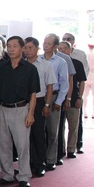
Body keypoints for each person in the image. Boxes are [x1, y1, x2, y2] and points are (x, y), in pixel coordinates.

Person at [0, 36, 40, 187]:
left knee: (22, 145)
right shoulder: (0, 67)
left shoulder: (30, 69)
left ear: (22, 48)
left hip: (21, 109)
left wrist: (30, 114)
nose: (11, 49)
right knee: (3, 144)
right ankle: (7, 174)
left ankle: (24, 176)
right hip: (2, 109)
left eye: (15, 46)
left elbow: (33, 94)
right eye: (9, 46)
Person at [23, 37, 55, 177]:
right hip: (23, 103)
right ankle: (27, 164)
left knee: (38, 134)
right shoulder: (20, 64)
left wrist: (47, 105)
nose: (27, 50)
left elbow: (49, 87)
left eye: (30, 47)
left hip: (39, 101)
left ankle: (39, 164)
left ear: (37, 49)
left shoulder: (45, 64)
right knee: (24, 135)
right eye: (25, 47)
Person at [41, 34, 69, 171]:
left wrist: (59, 101)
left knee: (52, 131)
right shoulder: (37, 59)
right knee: (39, 131)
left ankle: (51, 159)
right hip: (40, 96)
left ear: (55, 47)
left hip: (54, 97)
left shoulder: (60, 62)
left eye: (48, 43)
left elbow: (65, 84)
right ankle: (39, 158)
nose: (45, 46)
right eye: (44, 43)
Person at [58, 41, 86, 158]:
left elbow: (82, 82)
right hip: (58, 99)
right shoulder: (56, 63)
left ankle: (71, 149)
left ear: (71, 50)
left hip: (74, 98)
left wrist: (79, 97)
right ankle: (60, 150)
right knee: (59, 126)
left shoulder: (77, 64)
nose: (62, 50)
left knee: (73, 125)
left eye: (65, 48)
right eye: (60, 48)